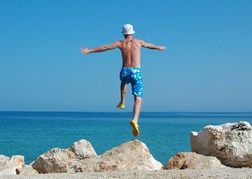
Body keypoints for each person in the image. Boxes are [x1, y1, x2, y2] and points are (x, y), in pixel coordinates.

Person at [80, 24, 166, 137]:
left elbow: (105, 47)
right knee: (138, 98)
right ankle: (135, 120)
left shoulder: (120, 43)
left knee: (123, 82)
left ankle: (122, 102)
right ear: (132, 32)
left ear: (123, 33)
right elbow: (148, 45)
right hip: (136, 71)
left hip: (125, 70)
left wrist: (90, 50)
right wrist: (158, 47)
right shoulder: (138, 42)